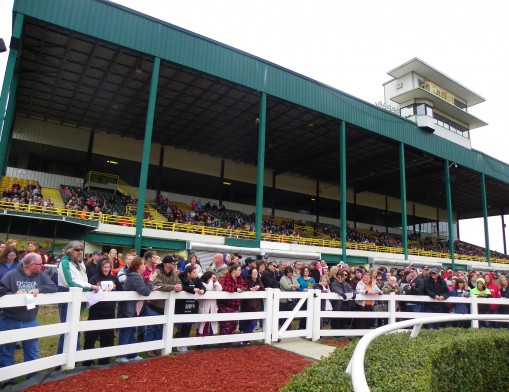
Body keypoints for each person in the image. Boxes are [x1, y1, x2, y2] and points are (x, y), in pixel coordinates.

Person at [0, 253, 57, 384]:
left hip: (30, 320)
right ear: (31, 265)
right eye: (39, 264)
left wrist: (39, 289)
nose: (42, 266)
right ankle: (7, 380)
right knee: (6, 350)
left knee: (32, 349)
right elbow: (1, 289)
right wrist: (13, 295)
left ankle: (32, 377)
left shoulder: (41, 276)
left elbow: (53, 286)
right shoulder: (12, 275)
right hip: (10, 319)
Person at [57, 241, 100, 355]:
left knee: (75, 328)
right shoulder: (65, 263)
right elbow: (70, 282)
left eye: (81, 249)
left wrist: (88, 287)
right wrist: (90, 287)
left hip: (79, 296)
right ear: (70, 250)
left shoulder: (79, 263)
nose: (80, 251)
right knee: (67, 330)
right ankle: (63, 357)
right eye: (77, 250)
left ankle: (75, 354)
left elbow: (82, 280)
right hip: (68, 296)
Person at [117, 256, 154, 363]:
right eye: (143, 264)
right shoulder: (135, 276)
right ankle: (122, 355)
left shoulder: (136, 275)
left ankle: (131, 354)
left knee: (131, 330)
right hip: (128, 309)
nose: (145, 266)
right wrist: (151, 281)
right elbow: (145, 291)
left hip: (131, 308)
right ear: (138, 266)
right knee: (126, 331)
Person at [83, 259, 120, 366]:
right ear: (100, 267)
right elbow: (88, 292)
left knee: (108, 337)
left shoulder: (114, 279)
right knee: (91, 336)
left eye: (109, 267)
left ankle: (104, 361)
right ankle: (88, 361)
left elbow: (121, 290)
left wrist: (113, 293)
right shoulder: (94, 279)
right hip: (96, 312)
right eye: (105, 267)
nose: (107, 269)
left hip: (110, 312)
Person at [145, 255, 182, 356]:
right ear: (167, 264)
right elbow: (157, 285)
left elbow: (178, 282)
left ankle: (158, 348)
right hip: (154, 305)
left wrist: (179, 287)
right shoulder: (157, 272)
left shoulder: (173, 273)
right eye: (173, 263)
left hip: (165, 306)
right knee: (151, 326)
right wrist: (173, 287)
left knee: (162, 328)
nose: (175, 265)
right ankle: (148, 348)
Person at [174, 265, 206, 353]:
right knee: (181, 326)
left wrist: (202, 290)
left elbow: (202, 287)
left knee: (188, 326)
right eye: (194, 273)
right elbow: (182, 287)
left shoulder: (196, 279)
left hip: (192, 306)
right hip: (181, 306)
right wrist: (193, 289)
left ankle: (184, 345)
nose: (196, 274)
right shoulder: (180, 278)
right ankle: (177, 344)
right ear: (188, 273)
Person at [218, 264, 247, 336]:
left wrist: (241, 288)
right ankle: (223, 343)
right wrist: (235, 289)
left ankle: (229, 343)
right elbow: (223, 287)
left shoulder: (239, 278)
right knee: (226, 325)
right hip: (226, 305)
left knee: (234, 325)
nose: (240, 272)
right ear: (234, 270)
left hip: (236, 305)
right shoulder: (226, 278)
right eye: (239, 270)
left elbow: (245, 285)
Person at [240, 267, 264, 344]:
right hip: (246, 305)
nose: (255, 274)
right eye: (254, 273)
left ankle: (246, 339)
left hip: (255, 305)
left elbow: (263, 290)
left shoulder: (259, 282)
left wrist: (257, 290)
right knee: (246, 322)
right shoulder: (246, 282)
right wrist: (250, 290)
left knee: (253, 322)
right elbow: (242, 289)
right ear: (250, 274)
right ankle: (245, 339)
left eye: (256, 273)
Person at [197, 271, 222, 338]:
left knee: (209, 325)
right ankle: (199, 342)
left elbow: (220, 289)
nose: (213, 279)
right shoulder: (203, 284)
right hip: (204, 306)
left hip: (212, 307)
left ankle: (206, 343)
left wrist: (216, 281)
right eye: (211, 277)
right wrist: (211, 281)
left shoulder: (214, 285)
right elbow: (208, 288)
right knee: (201, 325)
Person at [296, 265, 315, 330]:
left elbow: (312, 286)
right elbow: (297, 287)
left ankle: (306, 326)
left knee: (308, 311)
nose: (306, 272)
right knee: (302, 311)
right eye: (305, 271)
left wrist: (308, 289)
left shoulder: (312, 279)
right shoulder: (299, 279)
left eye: (307, 271)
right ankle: (301, 326)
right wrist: (302, 289)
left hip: (309, 298)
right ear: (302, 272)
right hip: (301, 297)